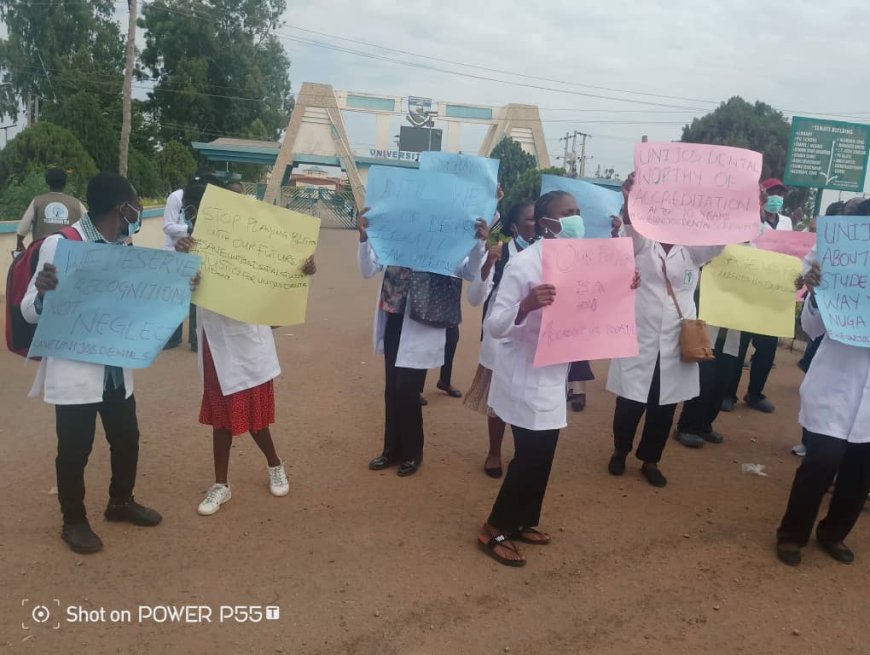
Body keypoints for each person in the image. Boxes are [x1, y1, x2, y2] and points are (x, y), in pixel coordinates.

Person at [477, 192, 640, 565]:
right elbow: (494, 325)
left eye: (579, 212)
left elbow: (594, 304)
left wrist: (624, 286)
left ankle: (523, 520)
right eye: (568, 213)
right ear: (547, 222)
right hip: (524, 377)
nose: (577, 219)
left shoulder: (583, 262)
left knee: (545, 454)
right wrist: (526, 305)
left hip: (554, 375)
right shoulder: (525, 265)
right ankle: (494, 527)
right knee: (529, 456)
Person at [20, 172, 162, 554]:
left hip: (115, 370)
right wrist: (44, 294)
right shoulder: (61, 245)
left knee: (126, 439)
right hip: (76, 369)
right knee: (74, 448)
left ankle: (120, 502)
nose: (138, 211)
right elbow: (28, 312)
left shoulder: (124, 244)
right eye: (136, 204)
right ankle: (74, 522)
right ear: (123, 208)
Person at [174, 178, 312, 515]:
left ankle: (274, 463)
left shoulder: (259, 243)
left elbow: (282, 278)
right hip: (218, 342)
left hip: (250, 340)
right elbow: (176, 294)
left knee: (255, 419)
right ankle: (221, 484)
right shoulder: (191, 245)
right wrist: (183, 269)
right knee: (222, 419)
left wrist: (303, 271)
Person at [606, 174, 724, 487]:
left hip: (676, 338)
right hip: (640, 333)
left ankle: (650, 460)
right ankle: (620, 450)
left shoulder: (693, 250)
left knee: (664, 404)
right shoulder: (644, 241)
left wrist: (743, 205)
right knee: (630, 402)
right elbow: (629, 228)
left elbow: (720, 239)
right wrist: (631, 198)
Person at [358, 211, 488, 477]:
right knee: (392, 389)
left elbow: (470, 270)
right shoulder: (394, 240)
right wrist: (364, 237)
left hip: (421, 326)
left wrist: (478, 243)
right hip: (393, 321)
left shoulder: (441, 244)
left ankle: (413, 452)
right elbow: (367, 269)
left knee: (406, 390)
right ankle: (390, 450)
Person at [776, 261, 870, 566]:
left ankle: (833, 533)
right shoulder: (848, 265)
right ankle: (792, 534)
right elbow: (813, 329)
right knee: (821, 462)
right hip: (836, 385)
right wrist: (816, 294)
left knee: (860, 472)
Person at [464, 201, 536, 478]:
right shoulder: (502, 252)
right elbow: (474, 299)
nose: (537, 223)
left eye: (539, 218)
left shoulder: (548, 253)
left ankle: (522, 453)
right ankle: (494, 451)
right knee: (498, 399)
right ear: (516, 227)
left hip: (531, 338)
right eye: (530, 219)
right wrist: (487, 266)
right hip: (501, 338)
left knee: (524, 397)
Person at [722, 178, 793, 413]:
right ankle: (728, 393)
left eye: (780, 193)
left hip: (772, 295)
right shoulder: (748, 221)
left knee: (767, 348)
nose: (777, 197)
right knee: (739, 345)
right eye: (772, 192)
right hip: (748, 289)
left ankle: (754, 393)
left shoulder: (787, 223)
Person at [16, 168, 87, 252]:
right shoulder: (76, 204)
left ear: (47, 182)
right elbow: (89, 225)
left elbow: (23, 228)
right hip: (68, 253)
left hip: (41, 251)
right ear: (65, 183)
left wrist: (19, 244)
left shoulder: (37, 201)